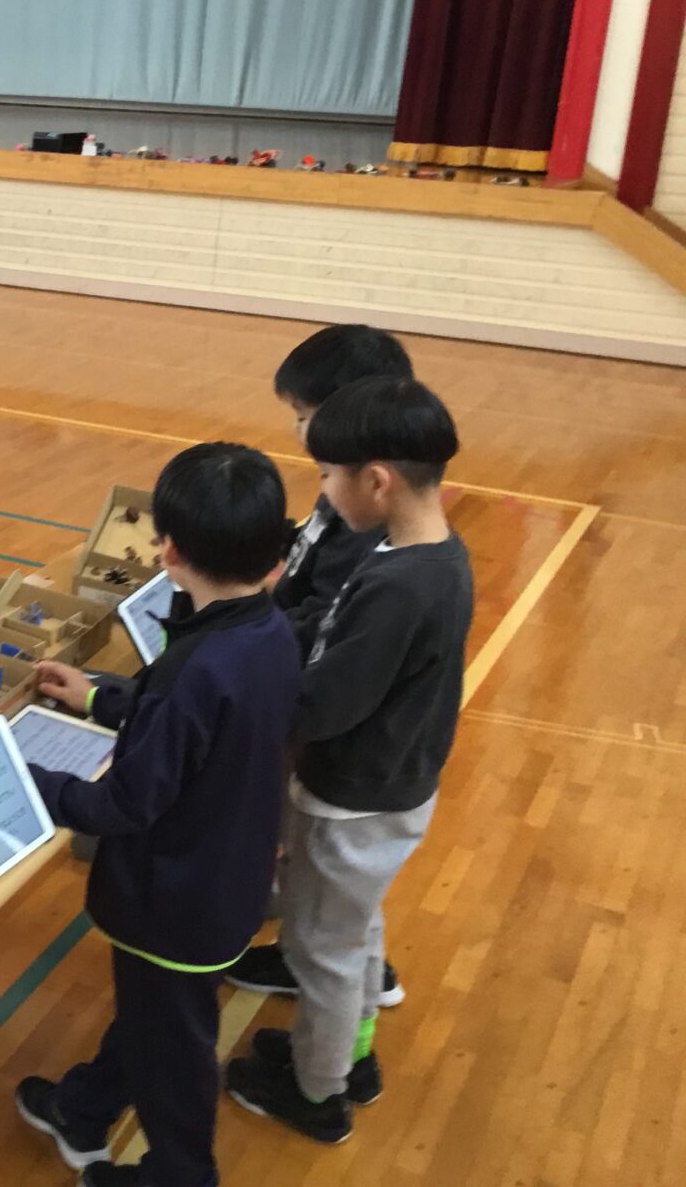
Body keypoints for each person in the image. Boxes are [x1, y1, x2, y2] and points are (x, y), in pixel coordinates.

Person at [13, 443, 301, 1187]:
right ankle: (83, 1108)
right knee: (157, 1021)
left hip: (172, 900)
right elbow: (195, 724)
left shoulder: (194, 668)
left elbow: (121, 803)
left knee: (175, 1052)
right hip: (221, 884)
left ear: (167, 550)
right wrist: (100, 697)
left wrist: (22, 776)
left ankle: (181, 1174)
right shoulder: (265, 631)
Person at [225, 379, 473, 1146]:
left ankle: (318, 1093)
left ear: (376, 481)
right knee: (354, 929)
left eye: (330, 476)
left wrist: (244, 704)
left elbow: (326, 705)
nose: (325, 491)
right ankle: (347, 1059)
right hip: (391, 786)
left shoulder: (399, 586)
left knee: (320, 950)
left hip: (351, 796)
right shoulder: (431, 552)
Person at [228, 323, 416, 1012]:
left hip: (317, 715)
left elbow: (323, 612)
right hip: (301, 685)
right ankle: (331, 953)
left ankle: (336, 1036)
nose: (299, 433)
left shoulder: (368, 519)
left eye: (305, 419)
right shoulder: (346, 488)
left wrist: (252, 634)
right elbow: (307, 566)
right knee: (329, 880)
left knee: (335, 881)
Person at [270, 325, 415, 653]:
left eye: (303, 416)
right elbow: (310, 544)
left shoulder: (361, 521)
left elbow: (320, 625)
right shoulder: (344, 481)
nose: (295, 428)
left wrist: (242, 619)